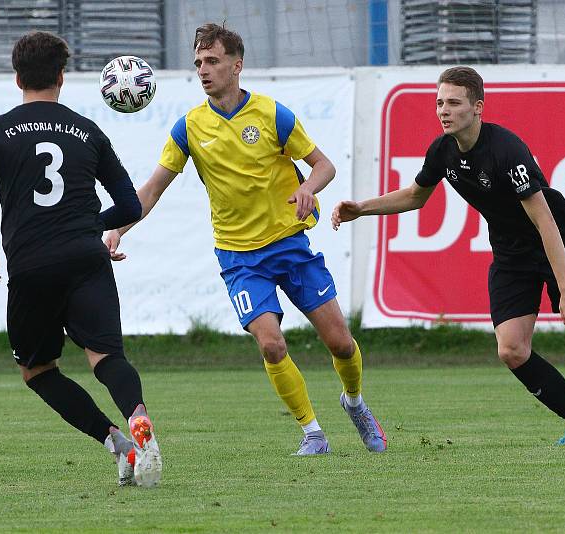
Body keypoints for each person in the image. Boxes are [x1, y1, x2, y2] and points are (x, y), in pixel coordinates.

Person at [331, 66, 565, 445]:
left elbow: (545, 222)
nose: (443, 111)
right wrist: (361, 208)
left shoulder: (507, 151)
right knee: (511, 349)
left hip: (560, 245)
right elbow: (416, 195)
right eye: (439, 102)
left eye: (453, 103)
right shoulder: (443, 150)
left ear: (477, 107)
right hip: (512, 254)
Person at [103, 23, 386, 455]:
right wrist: (118, 228)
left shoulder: (273, 114)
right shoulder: (189, 128)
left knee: (341, 343)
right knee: (272, 345)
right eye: (198, 62)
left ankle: (355, 403)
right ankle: (312, 433)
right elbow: (152, 189)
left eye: (212, 61)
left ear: (237, 66)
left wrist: (309, 187)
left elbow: (324, 165)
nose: (203, 70)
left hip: (290, 245)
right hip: (239, 257)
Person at [0, 31, 162, 485]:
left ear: (17, 79)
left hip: (32, 265)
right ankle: (137, 418)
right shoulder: (88, 130)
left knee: (37, 370)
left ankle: (118, 444)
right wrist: (90, 227)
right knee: (106, 356)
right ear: (61, 77)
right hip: (86, 257)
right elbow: (131, 206)